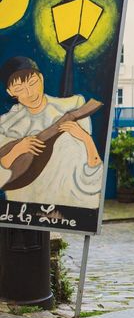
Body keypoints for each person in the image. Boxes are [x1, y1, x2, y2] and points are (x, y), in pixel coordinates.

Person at [0, 56, 103, 209]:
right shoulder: (6, 125)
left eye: (33, 83)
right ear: (10, 92)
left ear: (41, 78)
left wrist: (85, 138)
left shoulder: (71, 108)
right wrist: (17, 150)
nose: (29, 93)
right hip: (22, 211)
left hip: (70, 207)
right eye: (19, 89)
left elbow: (91, 174)